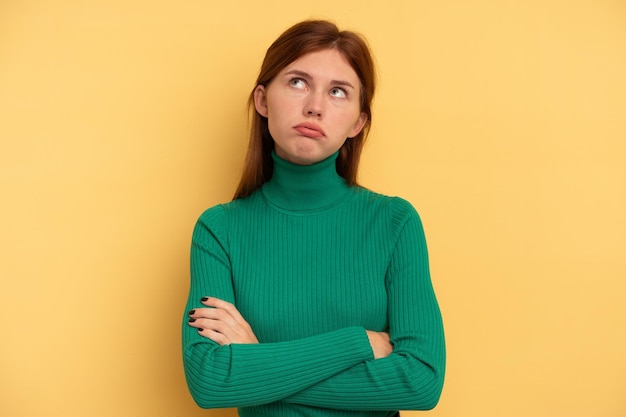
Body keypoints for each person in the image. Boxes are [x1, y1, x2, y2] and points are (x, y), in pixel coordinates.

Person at [182, 19, 445, 417]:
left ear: (358, 122)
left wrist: (257, 362)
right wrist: (358, 343)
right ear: (262, 99)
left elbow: (420, 381)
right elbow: (210, 382)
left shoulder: (394, 223)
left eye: (338, 92)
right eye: (298, 82)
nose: (315, 106)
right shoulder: (219, 231)